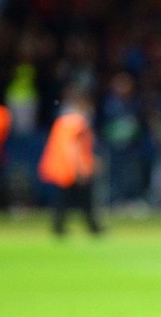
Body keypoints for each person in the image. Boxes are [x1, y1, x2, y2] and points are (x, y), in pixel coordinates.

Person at [38, 86, 103, 237]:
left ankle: (60, 227)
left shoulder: (63, 121)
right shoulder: (77, 122)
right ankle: (92, 228)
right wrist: (80, 167)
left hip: (63, 167)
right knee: (84, 199)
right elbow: (73, 147)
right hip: (72, 168)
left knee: (66, 199)